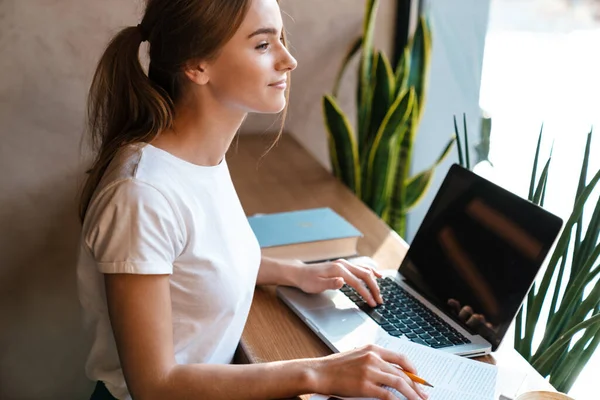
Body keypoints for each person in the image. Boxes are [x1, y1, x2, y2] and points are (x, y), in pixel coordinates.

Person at [77, 1, 429, 399]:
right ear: (197, 66)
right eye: (263, 45)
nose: (289, 60)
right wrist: (318, 372)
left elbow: (196, 261)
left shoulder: (200, 156)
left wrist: (297, 272)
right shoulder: (142, 196)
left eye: (281, 38)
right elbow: (155, 387)